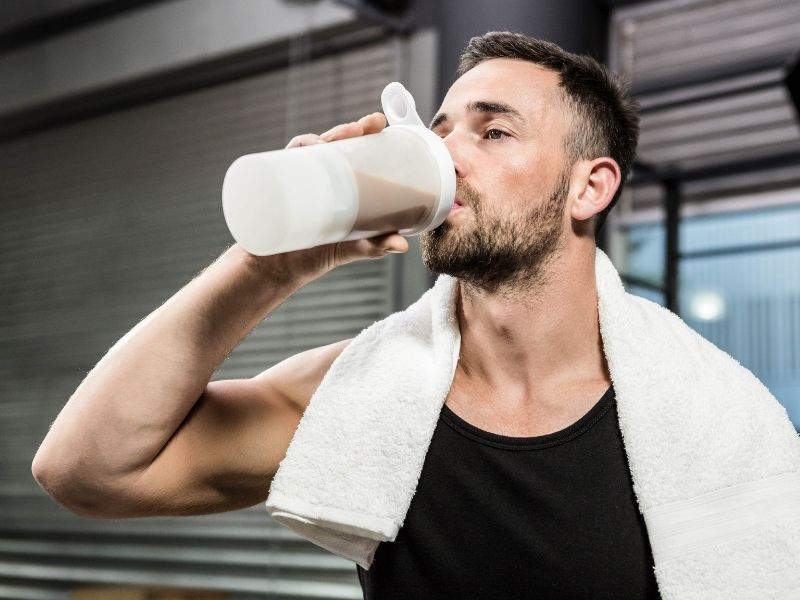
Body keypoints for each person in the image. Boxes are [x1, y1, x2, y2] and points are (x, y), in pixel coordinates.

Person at [32, 31, 658, 598]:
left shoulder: (691, 413)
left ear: (590, 188)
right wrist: (269, 265)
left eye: (493, 132)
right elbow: (87, 472)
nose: (448, 157)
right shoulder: (368, 391)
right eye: (439, 134)